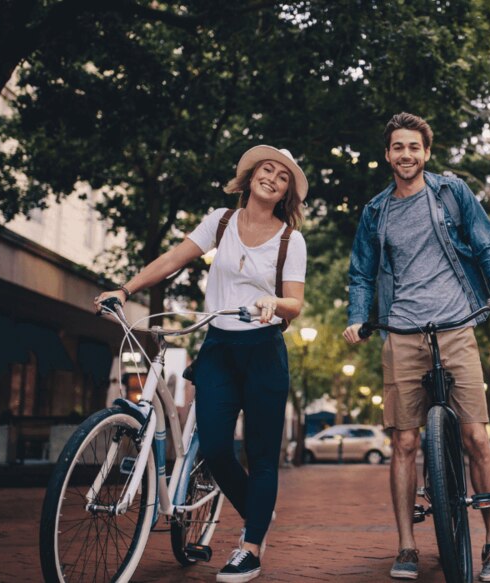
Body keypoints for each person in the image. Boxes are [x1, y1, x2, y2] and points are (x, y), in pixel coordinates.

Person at [95, 145, 308, 583]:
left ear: (287, 192)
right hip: (218, 348)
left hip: (264, 350)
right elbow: (175, 258)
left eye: (282, 176)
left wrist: (273, 302)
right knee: (213, 448)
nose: (272, 177)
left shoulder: (291, 239)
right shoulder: (221, 221)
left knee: (263, 456)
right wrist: (126, 288)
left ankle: (250, 546)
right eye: (266, 169)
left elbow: (296, 303)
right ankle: (259, 513)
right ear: (249, 177)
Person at [343, 112, 490, 582]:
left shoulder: (451, 192)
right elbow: (362, 272)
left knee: (477, 436)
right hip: (401, 332)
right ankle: (406, 545)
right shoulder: (375, 211)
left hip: (456, 324)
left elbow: (486, 245)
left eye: (414, 147)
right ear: (387, 154)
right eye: (398, 147)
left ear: (426, 152)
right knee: (404, 441)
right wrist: (357, 319)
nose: (406, 155)